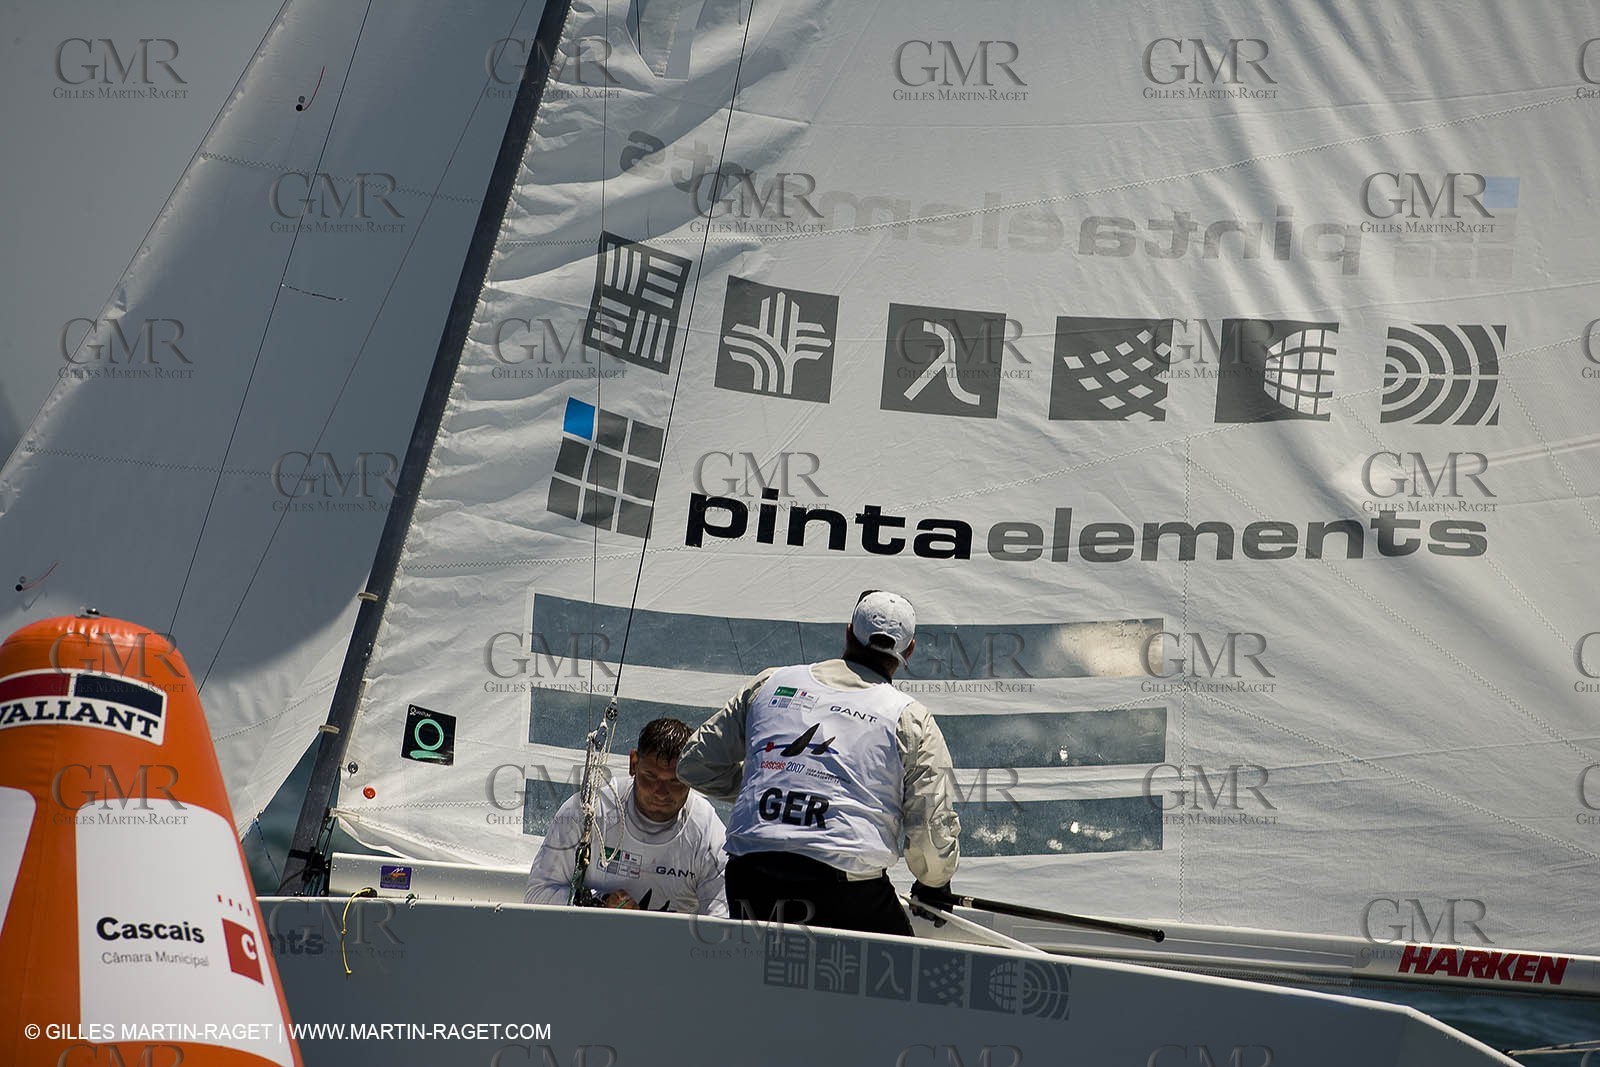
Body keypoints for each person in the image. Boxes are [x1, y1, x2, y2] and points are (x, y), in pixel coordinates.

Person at [676, 590, 960, 936]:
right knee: (901, 974)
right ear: (909, 650)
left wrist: (767, 782)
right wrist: (934, 880)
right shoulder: (910, 718)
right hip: (845, 891)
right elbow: (930, 820)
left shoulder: (769, 683)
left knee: (764, 969)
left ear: (846, 632)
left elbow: (693, 765)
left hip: (750, 876)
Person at [525, 717, 728, 915]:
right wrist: (598, 903)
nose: (661, 792)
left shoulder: (706, 828)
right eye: (651, 776)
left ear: (691, 775)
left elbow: (723, 917)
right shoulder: (589, 810)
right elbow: (537, 895)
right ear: (633, 764)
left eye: (675, 781)